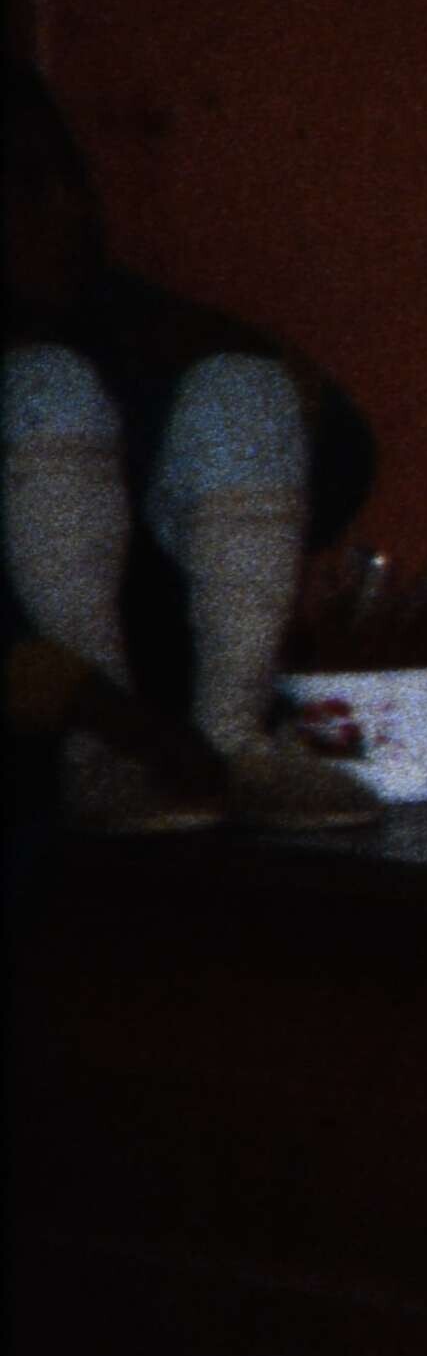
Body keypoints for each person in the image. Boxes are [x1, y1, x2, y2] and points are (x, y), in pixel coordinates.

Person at [5, 64, 378, 831]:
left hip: (181, 726)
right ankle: (95, 762)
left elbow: (344, 464)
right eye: (29, 188)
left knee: (242, 388)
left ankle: (240, 742)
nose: (74, 209)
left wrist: (258, 361)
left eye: (77, 181)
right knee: (41, 388)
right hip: (54, 745)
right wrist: (113, 722)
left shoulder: (106, 312)